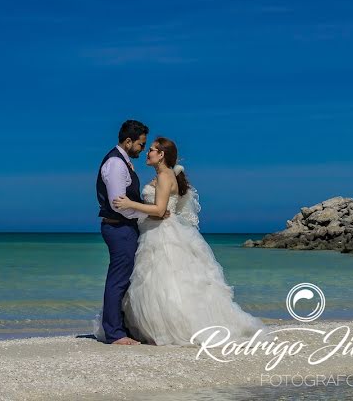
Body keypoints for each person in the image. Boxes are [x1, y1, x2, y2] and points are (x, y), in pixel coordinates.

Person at [97, 136, 264, 346]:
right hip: (151, 230)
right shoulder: (163, 175)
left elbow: (159, 210)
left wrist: (131, 203)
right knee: (149, 282)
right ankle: (144, 326)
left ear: (161, 155)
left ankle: (167, 327)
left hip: (162, 233)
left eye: (151, 149)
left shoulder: (166, 177)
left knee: (166, 281)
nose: (147, 153)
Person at [95, 119, 167, 345]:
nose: (142, 149)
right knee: (118, 279)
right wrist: (150, 215)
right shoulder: (116, 164)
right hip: (119, 227)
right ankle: (114, 332)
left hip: (124, 227)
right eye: (140, 144)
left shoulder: (123, 162)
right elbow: (120, 204)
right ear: (128, 141)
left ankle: (121, 326)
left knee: (126, 279)